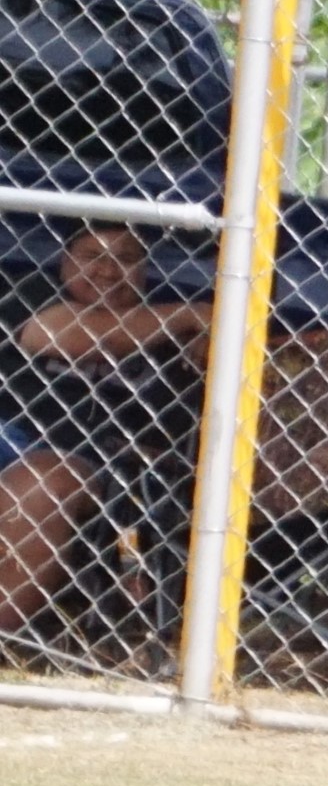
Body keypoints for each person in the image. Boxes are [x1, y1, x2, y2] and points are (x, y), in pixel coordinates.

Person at [0, 222, 210, 635]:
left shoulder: (166, 330)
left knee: (46, 480)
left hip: (97, 463)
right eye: (92, 256)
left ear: (145, 269)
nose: (108, 270)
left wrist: (201, 330)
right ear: (64, 264)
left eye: (126, 258)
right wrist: (191, 315)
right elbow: (65, 335)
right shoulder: (30, 294)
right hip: (10, 433)